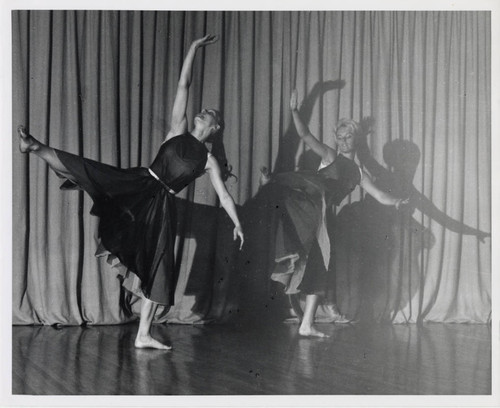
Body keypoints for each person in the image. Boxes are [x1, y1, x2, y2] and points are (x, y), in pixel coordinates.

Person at [18, 34, 244, 350]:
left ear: (215, 128)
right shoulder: (177, 129)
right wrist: (192, 48)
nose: (203, 111)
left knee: (160, 267)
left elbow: (224, 196)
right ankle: (35, 146)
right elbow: (184, 87)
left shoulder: (208, 161)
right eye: (203, 109)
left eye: (210, 113)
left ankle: (143, 334)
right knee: (92, 172)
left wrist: (237, 222)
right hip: (141, 184)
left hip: (162, 206)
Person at [259, 89, 407, 337]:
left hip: (323, 220)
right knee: (297, 260)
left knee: (318, 267)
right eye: (340, 137)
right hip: (305, 208)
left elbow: (380, 195)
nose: (343, 141)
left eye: (348, 137)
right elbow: (305, 135)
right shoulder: (330, 155)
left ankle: (306, 324)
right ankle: (273, 184)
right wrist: (295, 111)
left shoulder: (359, 173)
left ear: (356, 139)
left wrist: (397, 202)